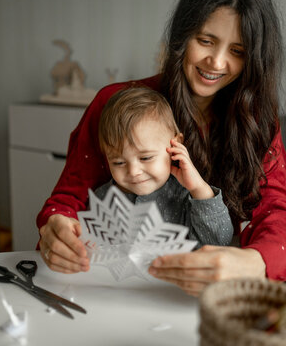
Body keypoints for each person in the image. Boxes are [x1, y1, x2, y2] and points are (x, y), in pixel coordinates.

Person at [37, 0, 286, 296]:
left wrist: (257, 262)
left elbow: (280, 208)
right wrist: (56, 225)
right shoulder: (114, 103)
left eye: (238, 51)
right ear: (181, 36)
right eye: (205, 41)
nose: (217, 62)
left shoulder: (255, 119)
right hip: (106, 289)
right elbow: (68, 200)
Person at [95, 87, 233, 247]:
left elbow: (218, 241)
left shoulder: (186, 196)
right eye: (118, 162)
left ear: (175, 145)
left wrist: (199, 188)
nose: (133, 172)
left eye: (146, 158)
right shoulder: (102, 197)